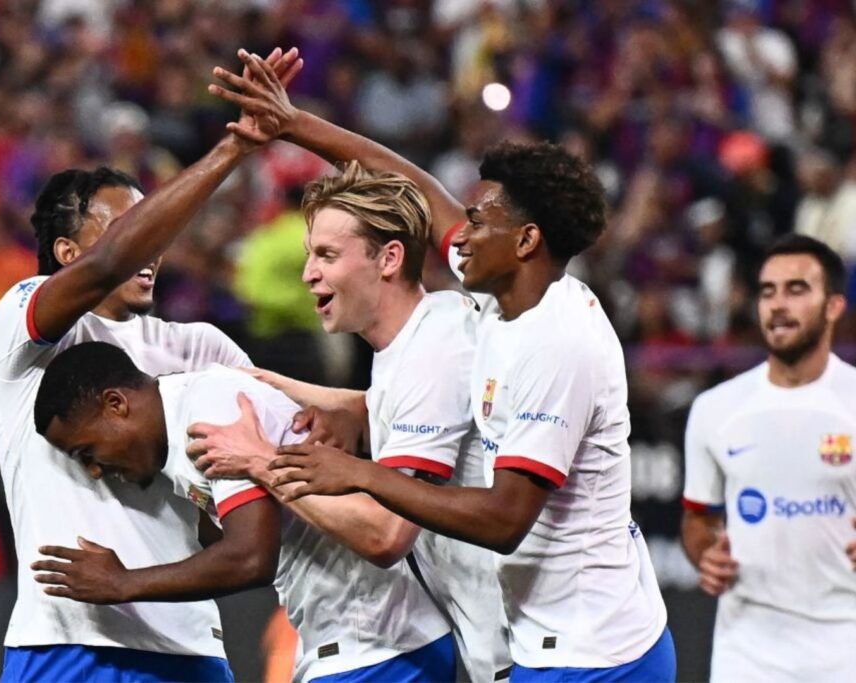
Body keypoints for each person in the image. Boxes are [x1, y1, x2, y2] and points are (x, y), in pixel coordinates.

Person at [208, 51, 676, 681]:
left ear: (526, 241)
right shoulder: (498, 296)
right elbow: (419, 188)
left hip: (591, 652)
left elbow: (503, 519)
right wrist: (293, 125)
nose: (459, 231)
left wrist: (354, 473)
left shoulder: (557, 346)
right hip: (538, 642)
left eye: (480, 219)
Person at [0, 48, 302, 683]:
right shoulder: (27, 328)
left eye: (153, 228)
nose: (151, 246)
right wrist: (233, 151)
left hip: (188, 647)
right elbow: (103, 270)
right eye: (129, 228)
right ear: (67, 251)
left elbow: (263, 477)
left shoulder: (203, 349)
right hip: (65, 641)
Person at [190, 161, 509, 681]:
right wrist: (270, 385)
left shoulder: (433, 352)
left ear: (389, 258)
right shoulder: (429, 332)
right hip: (498, 642)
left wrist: (262, 461)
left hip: (523, 649)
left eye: (327, 256)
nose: (308, 273)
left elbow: (386, 535)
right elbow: (389, 402)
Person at [33, 342, 456, 683]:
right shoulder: (184, 423)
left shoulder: (208, 415)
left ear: (116, 404)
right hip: (360, 643)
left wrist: (121, 583)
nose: (94, 469)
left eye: (87, 451)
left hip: (378, 644)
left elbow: (251, 555)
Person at [681, 234, 856, 682]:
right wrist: (706, 554)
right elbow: (698, 520)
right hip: (747, 651)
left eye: (797, 289)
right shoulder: (716, 409)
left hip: (844, 646)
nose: (778, 304)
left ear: (834, 305)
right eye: (767, 291)